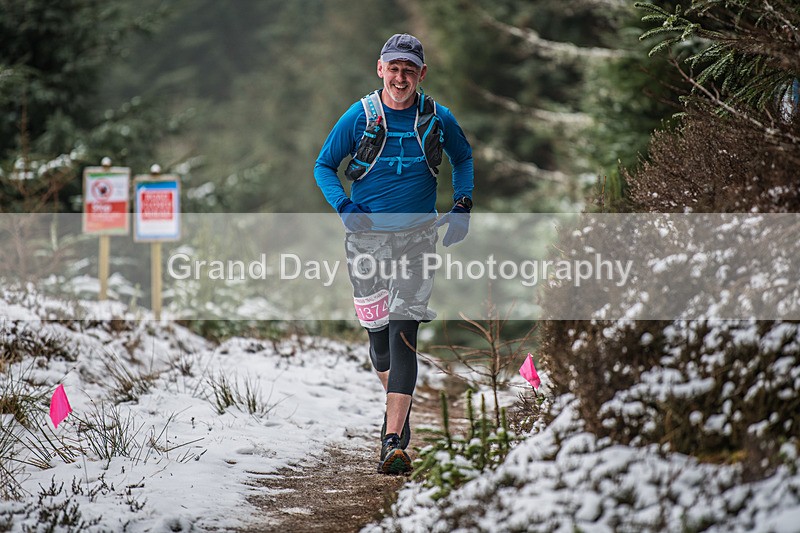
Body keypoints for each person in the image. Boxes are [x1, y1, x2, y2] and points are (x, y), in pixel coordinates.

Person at [314, 33, 474, 474]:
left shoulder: (437, 118)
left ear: (421, 74)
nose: (401, 77)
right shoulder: (360, 116)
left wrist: (462, 205)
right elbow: (324, 165)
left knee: (405, 333)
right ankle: (394, 411)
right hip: (366, 241)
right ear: (380, 69)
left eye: (409, 69)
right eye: (394, 68)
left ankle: (393, 439)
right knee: (380, 342)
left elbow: (463, 159)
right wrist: (344, 207)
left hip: (419, 239)